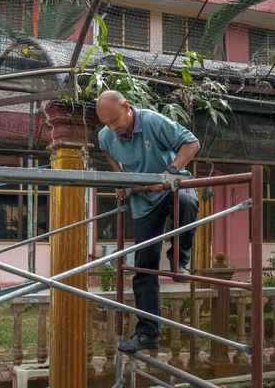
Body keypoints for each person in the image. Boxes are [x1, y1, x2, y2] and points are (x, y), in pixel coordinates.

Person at [96, 90, 200, 353]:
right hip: (143, 200)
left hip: (171, 187)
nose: (113, 128)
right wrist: (121, 179)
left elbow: (191, 143)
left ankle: (180, 259)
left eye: (116, 120)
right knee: (143, 266)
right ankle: (147, 331)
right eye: (107, 123)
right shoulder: (107, 136)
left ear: (127, 107)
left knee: (187, 202)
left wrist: (169, 172)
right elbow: (107, 152)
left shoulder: (153, 122)